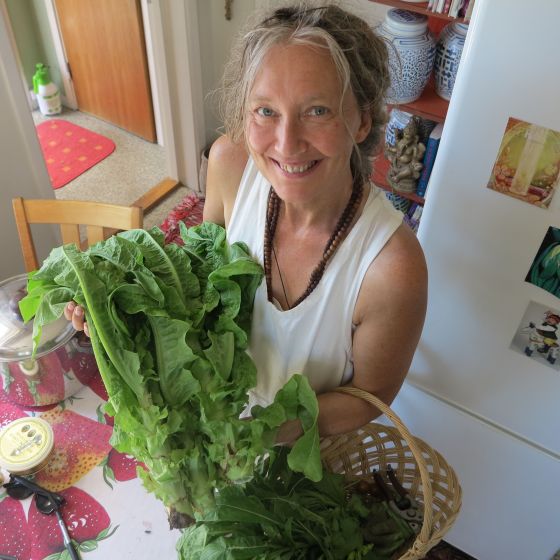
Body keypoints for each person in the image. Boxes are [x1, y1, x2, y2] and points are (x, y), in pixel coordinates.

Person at [66, 3, 427, 444]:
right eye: (265, 111)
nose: (287, 144)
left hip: (305, 458)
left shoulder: (393, 267)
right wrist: (119, 315)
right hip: (212, 431)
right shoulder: (230, 165)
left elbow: (370, 396)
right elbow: (199, 293)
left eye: (317, 111)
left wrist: (258, 433)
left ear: (362, 119)